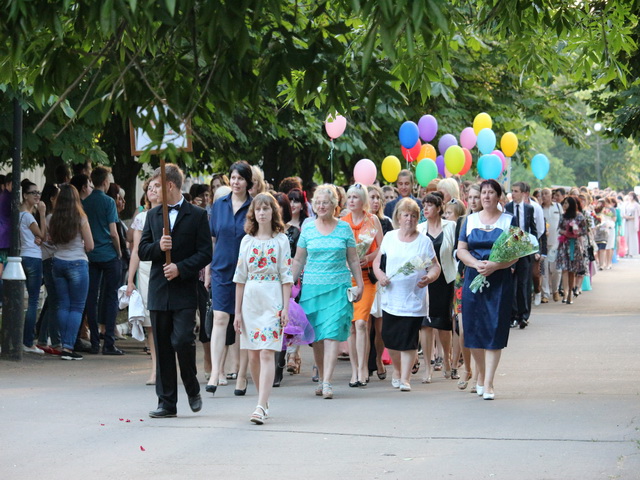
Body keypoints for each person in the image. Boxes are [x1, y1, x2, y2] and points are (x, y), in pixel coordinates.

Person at [138, 164, 212, 418]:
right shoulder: (152, 215)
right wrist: (159, 246)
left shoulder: (197, 215)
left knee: (181, 340)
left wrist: (181, 268)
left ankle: (191, 387)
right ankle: (166, 402)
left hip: (184, 291)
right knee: (163, 347)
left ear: (170, 185)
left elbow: (205, 253)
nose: (153, 189)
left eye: (157, 185)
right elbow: (143, 251)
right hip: (159, 290)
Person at [291, 184, 364, 399]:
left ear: (334, 205)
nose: (321, 206)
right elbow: (298, 260)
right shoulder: (308, 229)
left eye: (326, 202)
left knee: (332, 333)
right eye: (318, 203)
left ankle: (328, 382)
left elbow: (353, 259)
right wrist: (288, 286)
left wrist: (359, 284)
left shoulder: (344, 229)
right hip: (313, 290)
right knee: (318, 337)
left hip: (338, 288)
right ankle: (323, 377)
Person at [233, 193, 293, 424]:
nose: (262, 212)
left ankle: (260, 405)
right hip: (251, 298)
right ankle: (263, 400)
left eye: (266, 208)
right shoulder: (246, 241)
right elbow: (239, 277)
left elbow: (286, 275)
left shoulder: (281, 240)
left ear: (273, 212)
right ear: (253, 213)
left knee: (268, 350)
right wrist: (237, 312)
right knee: (254, 354)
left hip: (272, 297)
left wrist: (286, 308)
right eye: (258, 209)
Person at [457, 179, 519, 400]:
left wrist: (496, 265)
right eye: (483, 192)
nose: (486, 196)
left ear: (498, 197)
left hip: (499, 279)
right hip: (474, 278)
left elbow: (516, 253)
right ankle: (481, 375)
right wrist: (475, 264)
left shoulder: (510, 220)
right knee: (472, 330)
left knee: (494, 328)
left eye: (491, 193)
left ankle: (490, 382)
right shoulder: (469, 220)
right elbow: (461, 249)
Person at [372, 198, 440, 392]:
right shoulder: (390, 238)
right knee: (390, 339)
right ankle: (397, 369)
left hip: (414, 299)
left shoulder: (424, 241)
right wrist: (380, 275)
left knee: (409, 340)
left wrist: (428, 277)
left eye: (413, 216)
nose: (409, 219)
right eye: (405, 215)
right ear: (398, 218)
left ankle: (405, 378)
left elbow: (435, 266)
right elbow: (377, 263)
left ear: (417, 219)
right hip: (391, 298)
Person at [207, 161, 253, 395]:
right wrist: (207, 269)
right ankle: (216, 371)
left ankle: (242, 375)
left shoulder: (255, 207)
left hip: (248, 273)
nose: (235, 182)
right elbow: (213, 240)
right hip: (221, 269)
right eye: (233, 178)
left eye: (240, 179)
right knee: (220, 318)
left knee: (242, 324)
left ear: (248, 182)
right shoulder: (219, 205)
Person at [342, 184, 383, 387]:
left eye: (355, 197)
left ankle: (363, 368)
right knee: (351, 325)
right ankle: (354, 369)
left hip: (366, 278)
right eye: (349, 197)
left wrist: (367, 257)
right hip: (347, 279)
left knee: (361, 323)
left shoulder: (372, 220)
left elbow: (383, 248)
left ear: (363, 200)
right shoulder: (342, 222)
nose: (351, 200)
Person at [82, 166, 124, 355]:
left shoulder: (85, 202)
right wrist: (119, 251)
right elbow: (114, 233)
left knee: (92, 297)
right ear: (106, 182)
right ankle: (109, 342)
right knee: (111, 296)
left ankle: (93, 342)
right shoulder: (108, 202)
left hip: (91, 255)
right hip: (108, 254)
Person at [50, 184, 94, 360]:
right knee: (77, 307)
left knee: (63, 305)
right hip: (77, 263)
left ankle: (63, 345)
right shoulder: (81, 218)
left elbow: (51, 241)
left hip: (58, 262)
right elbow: (90, 245)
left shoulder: (53, 218)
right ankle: (68, 347)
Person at [417, 193, 457, 383]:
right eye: (424, 205)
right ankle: (427, 367)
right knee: (425, 323)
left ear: (439, 208)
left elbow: (456, 252)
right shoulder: (419, 228)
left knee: (443, 323)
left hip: (445, 280)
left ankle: (447, 361)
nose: (425, 209)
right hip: (425, 281)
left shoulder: (450, 226)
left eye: (430, 205)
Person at [127, 178, 161, 385]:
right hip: (146, 272)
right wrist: (130, 280)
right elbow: (137, 251)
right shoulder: (141, 217)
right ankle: (155, 369)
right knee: (151, 324)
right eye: (149, 188)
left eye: (156, 187)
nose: (152, 191)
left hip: (166, 269)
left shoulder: (170, 214)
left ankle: (169, 365)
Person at [366, 184, 393, 379]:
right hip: (364, 276)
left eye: (378, 198)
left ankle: (378, 359)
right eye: (371, 197)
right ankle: (364, 364)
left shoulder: (386, 223)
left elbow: (389, 251)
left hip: (382, 277)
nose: (375, 201)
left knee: (380, 327)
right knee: (364, 324)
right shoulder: (359, 222)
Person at [19, 180, 47, 354]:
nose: (37, 195)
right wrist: (42, 214)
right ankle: (28, 341)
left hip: (22, 256)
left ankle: (22, 338)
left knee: (23, 300)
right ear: (24, 195)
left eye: (38, 193)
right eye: (33, 193)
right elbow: (42, 235)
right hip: (33, 258)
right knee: (33, 301)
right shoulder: (29, 216)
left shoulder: (18, 215)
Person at [504, 182, 537, 329]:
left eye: (516, 191)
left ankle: (524, 315)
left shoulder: (529, 208)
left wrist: (535, 249)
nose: (514, 193)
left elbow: (534, 229)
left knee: (524, 283)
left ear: (524, 194)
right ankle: (513, 315)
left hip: (525, 250)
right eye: (512, 191)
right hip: (512, 249)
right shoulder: (507, 208)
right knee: (512, 283)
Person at [36, 183, 62, 355]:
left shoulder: (50, 217)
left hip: (48, 259)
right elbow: (49, 238)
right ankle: (54, 340)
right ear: (52, 199)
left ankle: (43, 338)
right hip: (50, 259)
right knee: (55, 301)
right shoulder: (51, 218)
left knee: (52, 300)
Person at [556, 196, 588, 304]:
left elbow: (584, 230)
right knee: (564, 269)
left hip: (575, 245)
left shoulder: (579, 217)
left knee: (572, 270)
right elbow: (559, 229)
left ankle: (570, 292)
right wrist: (565, 232)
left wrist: (576, 233)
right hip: (564, 245)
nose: (564, 205)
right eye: (563, 203)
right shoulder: (563, 216)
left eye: (566, 203)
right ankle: (565, 293)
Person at [541, 188, 563, 302]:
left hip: (556, 242)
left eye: (546, 194)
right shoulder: (539, 209)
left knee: (556, 269)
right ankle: (545, 294)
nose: (544, 196)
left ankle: (555, 290)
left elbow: (563, 223)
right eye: (542, 194)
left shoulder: (558, 207)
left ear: (551, 195)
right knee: (544, 269)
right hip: (544, 244)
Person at [623, 193, 640, 257]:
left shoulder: (636, 205)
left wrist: (630, 217)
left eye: (631, 196)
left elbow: (638, 215)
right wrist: (625, 216)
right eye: (629, 196)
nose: (630, 197)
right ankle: (627, 250)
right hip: (627, 221)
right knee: (627, 236)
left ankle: (632, 251)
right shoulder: (627, 204)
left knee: (632, 236)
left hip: (633, 222)